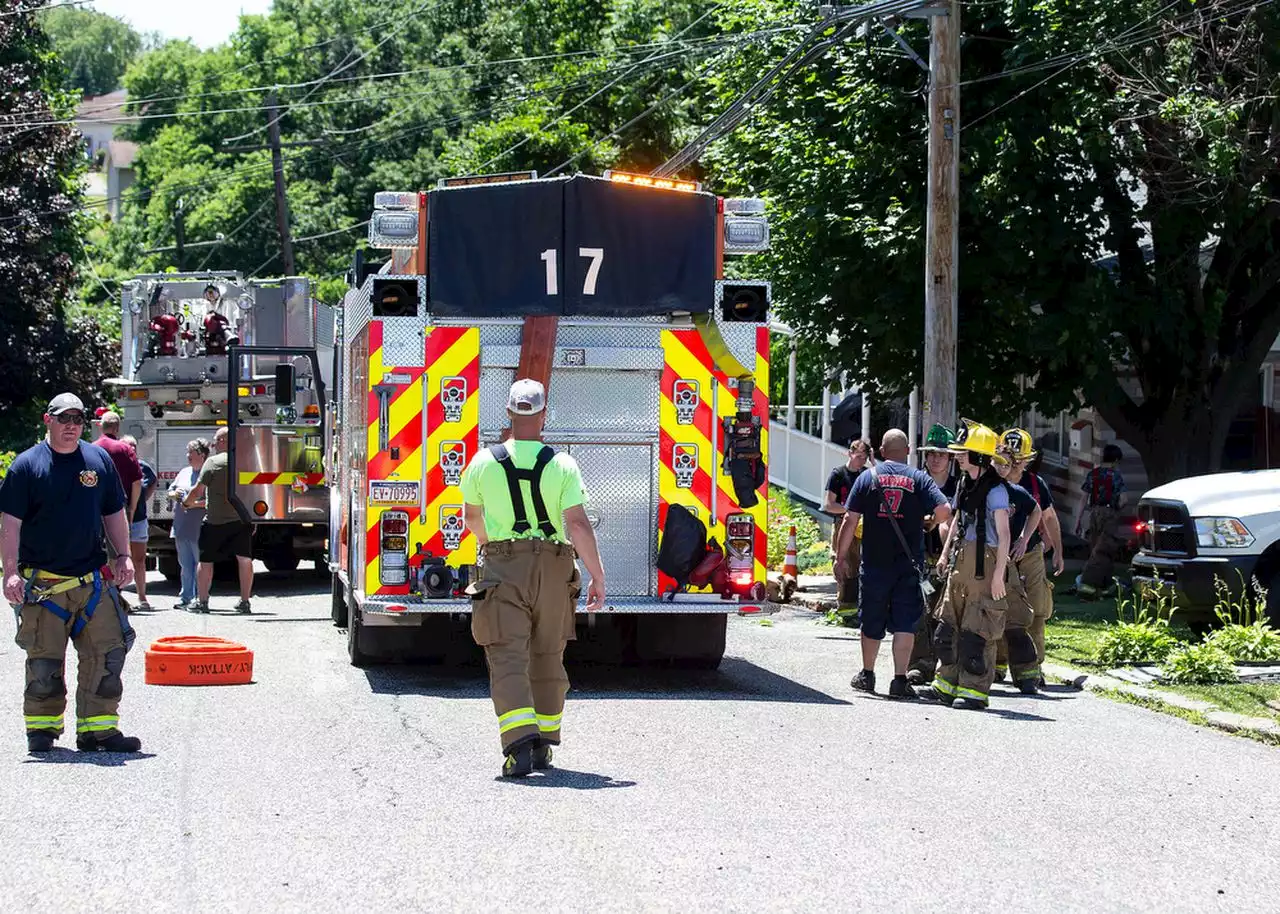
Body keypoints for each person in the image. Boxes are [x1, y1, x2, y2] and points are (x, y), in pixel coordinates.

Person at [460, 379, 607, 778]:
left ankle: (519, 747)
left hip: (503, 566)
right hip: (556, 568)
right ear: (543, 415)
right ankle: (543, 745)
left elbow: (471, 518)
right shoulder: (563, 465)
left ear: (508, 413)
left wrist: (496, 548)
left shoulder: (482, 462)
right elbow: (576, 524)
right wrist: (597, 575)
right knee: (547, 653)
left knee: (507, 654)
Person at [0, 393, 142, 754]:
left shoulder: (99, 461)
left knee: (108, 654)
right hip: (44, 587)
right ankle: (42, 730)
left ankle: (99, 730)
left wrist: (124, 555)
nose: (71, 425)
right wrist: (11, 573)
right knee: (45, 662)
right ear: (48, 420)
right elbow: (10, 524)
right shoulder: (26, 466)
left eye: (77, 419)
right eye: (64, 419)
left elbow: (114, 512)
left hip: (92, 582)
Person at [835, 429, 951, 699]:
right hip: (908, 564)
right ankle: (899, 680)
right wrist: (929, 521)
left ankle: (867, 674)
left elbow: (849, 521)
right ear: (908, 451)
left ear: (881, 452)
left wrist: (841, 558)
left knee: (871, 619)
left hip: (874, 563)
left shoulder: (867, 477)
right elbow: (944, 510)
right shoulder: (919, 478)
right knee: (905, 623)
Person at [930, 419, 1012, 710]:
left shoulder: (996, 491)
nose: (958, 456)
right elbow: (955, 520)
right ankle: (946, 684)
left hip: (986, 564)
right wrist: (944, 554)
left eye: (964, 452)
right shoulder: (965, 484)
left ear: (978, 456)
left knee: (977, 632)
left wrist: (999, 575)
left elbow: (1004, 536)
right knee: (948, 627)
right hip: (960, 561)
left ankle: (974, 691)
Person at [994, 436, 1066, 687]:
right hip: (997, 555)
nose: (1013, 464)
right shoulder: (992, 483)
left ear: (1026, 460)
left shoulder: (1036, 484)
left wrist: (1057, 551)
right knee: (999, 607)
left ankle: (1034, 667)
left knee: (1036, 610)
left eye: (1018, 460)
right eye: (1008, 459)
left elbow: (1049, 516)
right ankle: (999, 663)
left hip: (1030, 553)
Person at [992, 431, 1044, 694]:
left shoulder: (1017, 492)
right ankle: (982, 670)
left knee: (1017, 618)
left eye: (1006, 464)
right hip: (977, 560)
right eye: (996, 462)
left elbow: (1036, 510)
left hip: (1006, 562)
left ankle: (1027, 675)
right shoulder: (974, 488)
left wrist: (1024, 538)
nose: (1000, 468)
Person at [907, 424, 959, 685]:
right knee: (919, 613)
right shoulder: (915, 483)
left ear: (951, 457)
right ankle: (920, 664)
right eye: (931, 454)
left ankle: (948, 668)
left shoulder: (961, 487)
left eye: (941, 454)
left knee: (949, 617)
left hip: (953, 563)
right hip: (920, 560)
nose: (935, 458)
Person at [182, 428, 253, 614]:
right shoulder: (247, 461)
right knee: (245, 559)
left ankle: (202, 602)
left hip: (215, 521)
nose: (213, 445)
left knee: (205, 562)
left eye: (215, 441)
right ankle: (245, 602)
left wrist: (186, 503)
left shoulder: (212, 462)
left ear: (223, 441)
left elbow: (198, 489)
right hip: (241, 520)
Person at [823, 439, 869, 611]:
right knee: (844, 565)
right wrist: (850, 511)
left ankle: (858, 606)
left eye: (864, 458)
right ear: (849, 454)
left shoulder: (866, 474)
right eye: (859, 457)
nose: (861, 462)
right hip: (843, 523)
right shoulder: (838, 474)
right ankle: (845, 606)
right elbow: (829, 504)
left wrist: (872, 462)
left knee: (861, 566)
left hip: (863, 526)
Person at [93, 413, 143, 570]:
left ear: (101, 426)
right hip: (118, 507)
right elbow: (137, 481)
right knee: (117, 550)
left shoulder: (91, 448)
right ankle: (115, 587)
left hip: (95, 505)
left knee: (96, 547)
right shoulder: (125, 449)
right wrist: (132, 509)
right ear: (117, 428)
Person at [1077, 443, 1127, 600]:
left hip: (1094, 513)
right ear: (1116, 460)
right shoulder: (1116, 476)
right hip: (1109, 513)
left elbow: (1084, 497)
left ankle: (1102, 585)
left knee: (1095, 546)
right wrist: (1118, 508)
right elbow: (1124, 499)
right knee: (1105, 549)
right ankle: (1088, 584)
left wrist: (1078, 520)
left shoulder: (1093, 474)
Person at [166, 438, 209, 610]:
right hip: (181, 527)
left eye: (190, 452)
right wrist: (174, 494)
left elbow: (211, 501)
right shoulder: (184, 472)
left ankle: (201, 598)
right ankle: (185, 596)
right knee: (185, 565)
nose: (187, 456)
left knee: (200, 564)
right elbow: (170, 491)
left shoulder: (207, 474)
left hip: (199, 528)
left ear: (201, 454)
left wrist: (193, 504)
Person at [120, 435, 157, 612]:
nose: (132, 449)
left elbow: (152, 484)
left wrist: (143, 501)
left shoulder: (144, 467)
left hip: (139, 520)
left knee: (139, 560)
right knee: (115, 559)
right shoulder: (114, 466)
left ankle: (142, 597)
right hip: (118, 521)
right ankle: (116, 596)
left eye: (134, 446)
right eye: (128, 446)